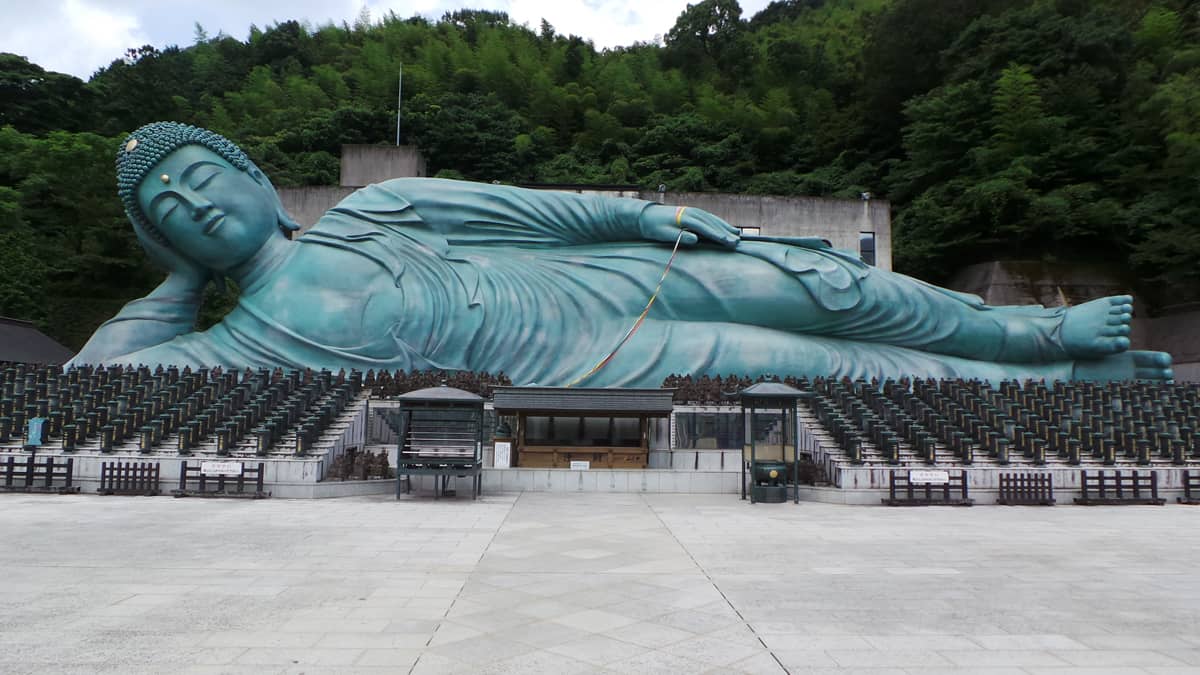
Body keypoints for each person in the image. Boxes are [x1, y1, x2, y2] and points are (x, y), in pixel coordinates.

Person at [69, 122, 1173, 385]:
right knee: (813, 365)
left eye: (203, 177)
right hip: (582, 363)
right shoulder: (245, 342)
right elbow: (94, 383)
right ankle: (1066, 376)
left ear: (259, 179)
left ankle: (1035, 327)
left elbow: (531, 211)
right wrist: (178, 284)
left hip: (581, 279)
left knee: (810, 281)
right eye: (168, 209)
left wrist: (638, 217)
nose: (193, 205)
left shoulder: (380, 206)